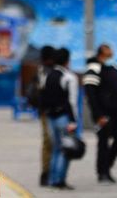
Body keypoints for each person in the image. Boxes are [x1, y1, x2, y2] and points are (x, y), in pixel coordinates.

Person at [82, 43, 117, 184]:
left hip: (115, 112)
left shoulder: (113, 68)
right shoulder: (94, 68)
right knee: (103, 142)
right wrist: (98, 115)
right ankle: (103, 172)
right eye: (108, 48)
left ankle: (107, 165)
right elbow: (90, 93)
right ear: (102, 51)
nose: (111, 51)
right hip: (103, 113)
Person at [41, 47, 79, 190]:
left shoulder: (48, 75)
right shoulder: (69, 77)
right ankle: (60, 180)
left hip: (50, 117)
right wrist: (73, 121)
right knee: (66, 149)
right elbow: (72, 101)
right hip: (64, 117)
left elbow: (44, 97)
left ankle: (52, 179)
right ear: (67, 61)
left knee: (56, 148)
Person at [30, 45, 56, 187]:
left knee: (48, 142)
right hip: (48, 112)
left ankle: (48, 173)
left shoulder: (40, 71)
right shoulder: (47, 72)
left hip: (43, 111)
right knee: (49, 142)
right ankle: (48, 173)